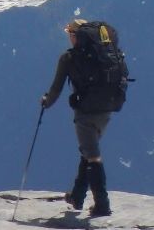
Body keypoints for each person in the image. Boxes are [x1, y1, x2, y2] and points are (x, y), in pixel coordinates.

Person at [42, 18, 112, 218]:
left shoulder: (68, 58)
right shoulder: (103, 55)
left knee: (92, 156)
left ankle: (102, 205)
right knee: (88, 150)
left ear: (75, 36)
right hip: (107, 110)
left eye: (70, 34)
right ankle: (77, 196)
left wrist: (45, 102)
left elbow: (55, 90)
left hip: (86, 113)